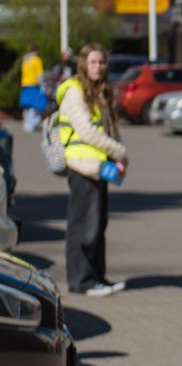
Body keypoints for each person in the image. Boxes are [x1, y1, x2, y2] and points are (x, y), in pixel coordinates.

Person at [59, 43, 128, 297]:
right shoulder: (74, 91)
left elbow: (110, 128)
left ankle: (98, 277)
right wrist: (119, 151)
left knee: (98, 224)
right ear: (83, 65)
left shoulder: (100, 92)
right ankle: (82, 281)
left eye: (102, 62)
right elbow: (87, 131)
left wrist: (119, 155)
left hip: (99, 166)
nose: (98, 67)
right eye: (93, 62)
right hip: (82, 166)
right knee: (83, 226)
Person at [18, 44, 48, 133]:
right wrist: (44, 85)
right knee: (36, 105)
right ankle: (31, 125)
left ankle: (26, 125)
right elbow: (40, 75)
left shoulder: (25, 60)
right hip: (34, 85)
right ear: (37, 51)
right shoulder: (36, 60)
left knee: (27, 106)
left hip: (25, 85)